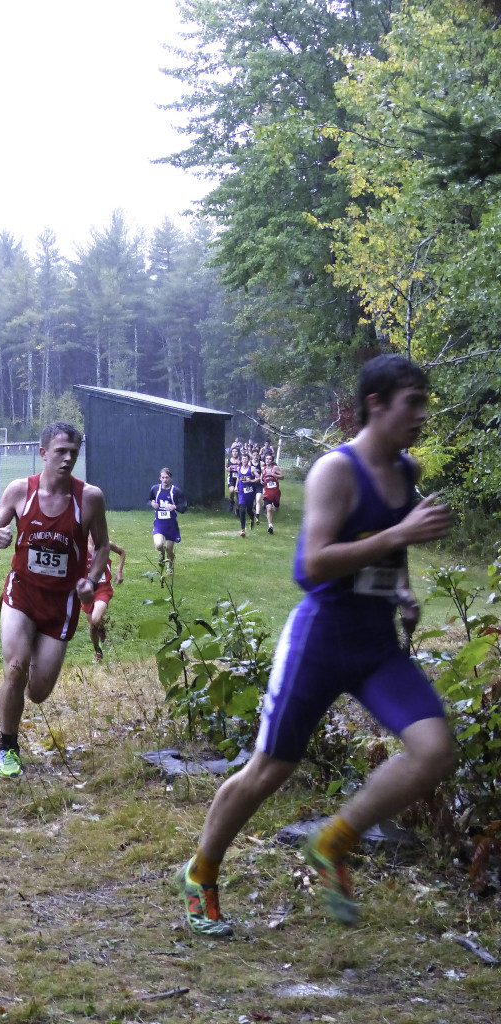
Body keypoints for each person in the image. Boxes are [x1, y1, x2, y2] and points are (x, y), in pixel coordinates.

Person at [176, 354, 454, 936]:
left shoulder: (406, 471)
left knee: (433, 750)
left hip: (377, 644)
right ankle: (202, 871)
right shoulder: (336, 470)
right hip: (321, 640)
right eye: (413, 402)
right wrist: (401, 533)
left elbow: (385, 556)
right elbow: (312, 566)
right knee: (270, 770)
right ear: (376, 404)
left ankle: (334, 841)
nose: (422, 415)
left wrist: (401, 589)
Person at [0, 422, 110, 778]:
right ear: (43, 453)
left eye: (73, 453)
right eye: (60, 452)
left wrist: (92, 580)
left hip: (61, 604)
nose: (68, 459)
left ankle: (14, 698)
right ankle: (8, 747)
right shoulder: (21, 491)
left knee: (37, 692)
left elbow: (101, 548)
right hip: (21, 595)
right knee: (16, 667)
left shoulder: (90, 498)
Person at [81, 537, 126, 661]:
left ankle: (100, 631)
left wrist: (119, 572)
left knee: (96, 618)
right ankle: (98, 650)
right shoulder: (80, 546)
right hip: (87, 591)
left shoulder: (106, 544)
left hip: (103, 589)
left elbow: (122, 552)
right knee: (92, 627)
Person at [149, 468, 187, 577]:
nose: (165, 480)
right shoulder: (155, 489)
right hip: (159, 524)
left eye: (167, 477)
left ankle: (170, 566)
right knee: (158, 545)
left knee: (170, 549)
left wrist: (174, 506)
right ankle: (161, 552)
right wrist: (152, 504)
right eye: (163, 477)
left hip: (171, 525)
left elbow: (184, 507)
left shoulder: (176, 491)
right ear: (160, 478)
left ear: (170, 478)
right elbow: (150, 499)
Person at [236, 455, 260, 535]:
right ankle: (243, 529)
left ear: (248, 460)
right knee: (242, 510)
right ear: (241, 460)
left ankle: (252, 518)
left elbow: (258, 478)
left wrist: (251, 481)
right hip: (241, 492)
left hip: (250, 492)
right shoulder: (238, 468)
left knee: (249, 510)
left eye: (246, 459)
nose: (244, 460)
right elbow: (238, 478)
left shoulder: (252, 469)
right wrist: (236, 486)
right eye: (243, 459)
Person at [261, 453, 284, 534]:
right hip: (267, 492)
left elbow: (282, 477)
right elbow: (261, 478)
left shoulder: (275, 468)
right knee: (269, 508)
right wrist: (261, 480)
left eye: (269, 459)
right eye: (266, 459)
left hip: (276, 492)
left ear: (272, 460)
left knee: (276, 508)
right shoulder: (263, 469)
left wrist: (273, 474)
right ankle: (270, 526)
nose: (268, 460)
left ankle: (275, 507)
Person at [226, 446, 242, 513]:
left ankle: (237, 509)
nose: (234, 453)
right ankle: (231, 501)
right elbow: (226, 467)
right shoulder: (229, 460)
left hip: (239, 479)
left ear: (238, 452)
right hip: (231, 478)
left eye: (236, 451)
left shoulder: (240, 460)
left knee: (237, 494)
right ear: (231, 453)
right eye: (233, 451)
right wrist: (228, 469)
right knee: (232, 491)